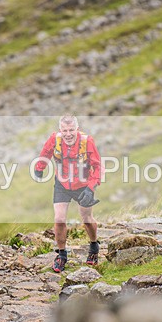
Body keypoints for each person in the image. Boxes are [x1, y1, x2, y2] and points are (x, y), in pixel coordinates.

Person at [34, 115, 104, 273]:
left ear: (77, 129)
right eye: (65, 130)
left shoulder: (87, 141)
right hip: (62, 184)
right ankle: (62, 254)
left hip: (83, 185)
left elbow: (98, 167)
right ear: (60, 130)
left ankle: (94, 246)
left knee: (86, 218)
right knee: (59, 219)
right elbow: (45, 153)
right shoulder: (55, 139)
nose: (68, 134)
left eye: (71, 130)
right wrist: (39, 168)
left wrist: (91, 188)